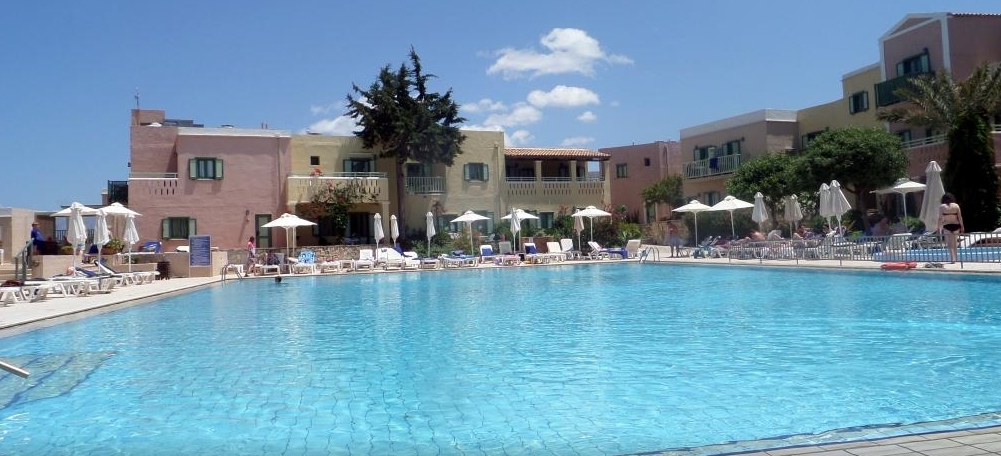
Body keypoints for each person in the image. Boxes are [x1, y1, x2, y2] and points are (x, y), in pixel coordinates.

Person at [938, 193, 964, 263]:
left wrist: (938, 227)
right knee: (955, 243)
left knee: (949, 243)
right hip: (956, 225)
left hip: (947, 225)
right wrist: (962, 226)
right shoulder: (956, 205)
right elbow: (960, 217)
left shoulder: (942, 206)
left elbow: (940, 218)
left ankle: (952, 259)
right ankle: (956, 258)